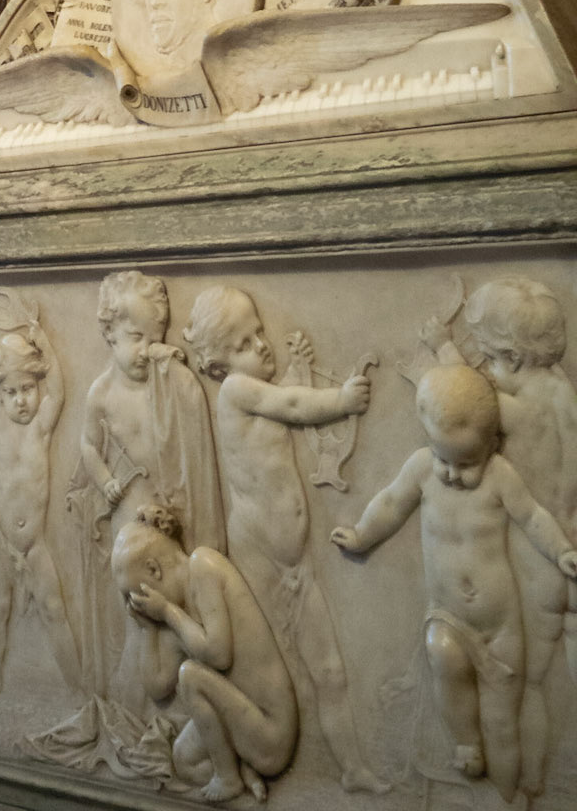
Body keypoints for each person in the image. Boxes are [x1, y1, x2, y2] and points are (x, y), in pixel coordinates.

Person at [333, 365, 577, 803]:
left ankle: (508, 794)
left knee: (502, 720)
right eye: (442, 458)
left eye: (466, 464)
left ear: (493, 445)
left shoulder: (501, 475)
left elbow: (532, 517)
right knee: (442, 656)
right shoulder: (422, 469)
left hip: (500, 627)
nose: (450, 473)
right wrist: (361, 535)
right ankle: (466, 742)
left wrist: (561, 550)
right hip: (448, 616)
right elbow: (390, 503)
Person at [182, 287, 385, 791]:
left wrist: (297, 367)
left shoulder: (254, 391)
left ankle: (353, 770)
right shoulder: (234, 391)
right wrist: (341, 400)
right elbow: (292, 404)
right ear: (218, 365)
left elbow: (285, 397)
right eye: (243, 344)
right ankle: (215, 749)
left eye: (258, 333)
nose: (260, 345)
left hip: (295, 565)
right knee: (260, 675)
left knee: (329, 670)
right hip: (262, 563)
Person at [69, 270, 224, 708]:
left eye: (154, 338)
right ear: (109, 333)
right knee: (137, 605)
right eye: (135, 337)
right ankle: (144, 694)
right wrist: (106, 480)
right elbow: (87, 445)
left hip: (167, 513)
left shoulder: (167, 386)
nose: (146, 349)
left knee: (175, 593)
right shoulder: (101, 393)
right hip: (127, 513)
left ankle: (180, 692)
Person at [112, 505, 299, 803]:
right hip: (244, 724)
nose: (136, 605)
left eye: (135, 595)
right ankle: (240, 769)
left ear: (154, 570)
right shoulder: (177, 612)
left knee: (190, 676)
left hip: (271, 733)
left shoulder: (203, 566)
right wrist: (148, 628)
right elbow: (157, 685)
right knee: (184, 760)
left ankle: (228, 778)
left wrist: (167, 612)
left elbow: (218, 654)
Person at [0, 299, 83, 707]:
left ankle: (76, 686)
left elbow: (60, 388)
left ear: (38, 388)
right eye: (12, 392)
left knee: (54, 609)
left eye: (28, 390)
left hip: (34, 545)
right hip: (0, 543)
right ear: (0, 395)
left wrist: (42, 340)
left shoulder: (42, 427)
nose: (21, 400)